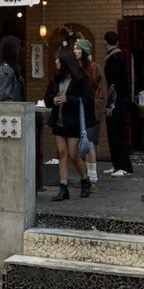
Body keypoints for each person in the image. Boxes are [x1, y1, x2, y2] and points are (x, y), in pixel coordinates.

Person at [44, 48, 94, 200]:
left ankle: (84, 179)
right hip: (58, 121)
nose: (56, 62)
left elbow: (88, 100)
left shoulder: (80, 78)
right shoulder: (56, 78)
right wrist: (53, 100)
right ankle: (63, 187)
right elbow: (47, 98)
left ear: (65, 62)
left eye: (58, 59)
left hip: (73, 122)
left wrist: (68, 99)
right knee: (62, 153)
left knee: (73, 154)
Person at [0, 35, 25, 193]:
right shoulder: (5, 70)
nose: (20, 50)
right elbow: (6, 98)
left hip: (4, 113)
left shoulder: (7, 68)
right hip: (3, 114)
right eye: (18, 47)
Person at [73, 38, 106, 187]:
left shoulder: (95, 68)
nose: (75, 51)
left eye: (78, 49)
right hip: (78, 109)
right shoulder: (74, 68)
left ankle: (92, 179)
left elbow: (102, 90)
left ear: (85, 51)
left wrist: (98, 109)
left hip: (91, 110)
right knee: (79, 144)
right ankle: (84, 177)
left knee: (89, 143)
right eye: (74, 48)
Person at [103, 30, 133, 176]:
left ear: (105, 42)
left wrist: (110, 105)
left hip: (116, 103)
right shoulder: (117, 56)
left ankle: (124, 167)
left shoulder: (114, 58)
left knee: (117, 135)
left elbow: (112, 86)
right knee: (113, 135)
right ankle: (116, 164)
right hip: (119, 101)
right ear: (117, 42)